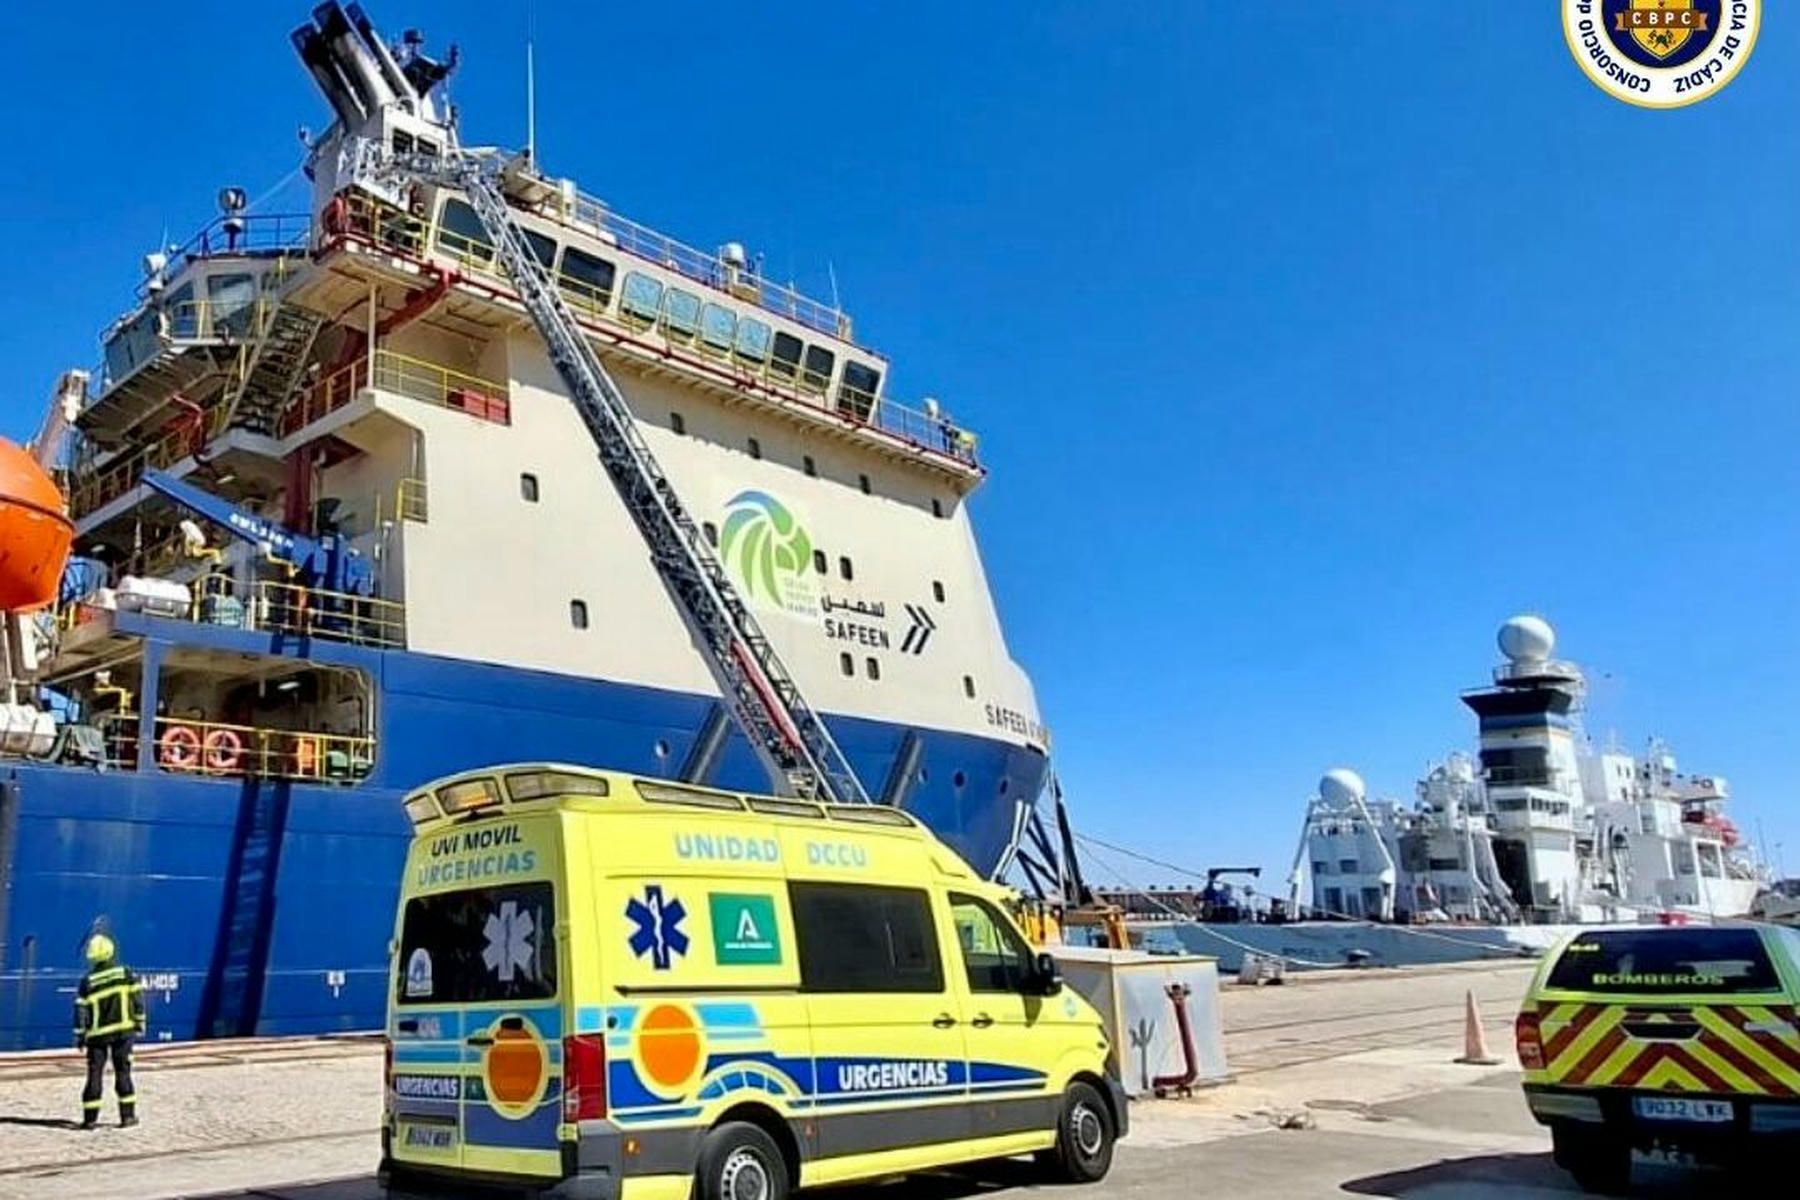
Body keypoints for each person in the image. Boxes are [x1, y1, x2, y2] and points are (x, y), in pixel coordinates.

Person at [73, 933, 145, 1129]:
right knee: (123, 1072)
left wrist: (80, 1035)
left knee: (94, 1075)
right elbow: (137, 1000)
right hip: (123, 1033)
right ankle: (127, 1117)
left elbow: (80, 1011)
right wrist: (139, 1022)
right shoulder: (125, 974)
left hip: (97, 1037)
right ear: (111, 951)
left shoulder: (88, 981)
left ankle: (90, 1119)